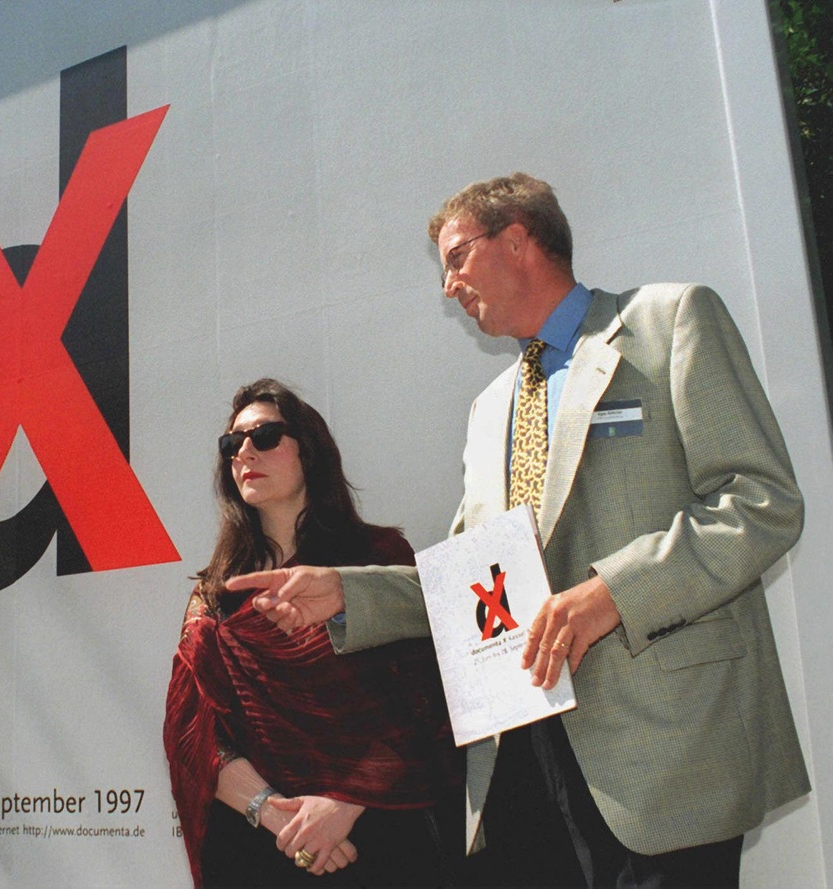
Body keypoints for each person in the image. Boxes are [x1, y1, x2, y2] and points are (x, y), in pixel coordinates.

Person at [232, 174, 809, 888]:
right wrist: (346, 592)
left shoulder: (670, 321)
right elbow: (474, 582)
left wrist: (613, 593)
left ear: (518, 238)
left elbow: (763, 502)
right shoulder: (488, 409)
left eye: (456, 258)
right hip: (523, 759)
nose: (448, 287)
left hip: (664, 750)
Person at [164, 378, 462, 888]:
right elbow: (193, 734)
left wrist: (343, 805)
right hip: (261, 846)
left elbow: (428, 700)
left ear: (311, 450)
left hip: (379, 834)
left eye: (265, 436)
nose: (244, 453)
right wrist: (279, 816)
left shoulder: (378, 562)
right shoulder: (215, 595)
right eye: (232, 443)